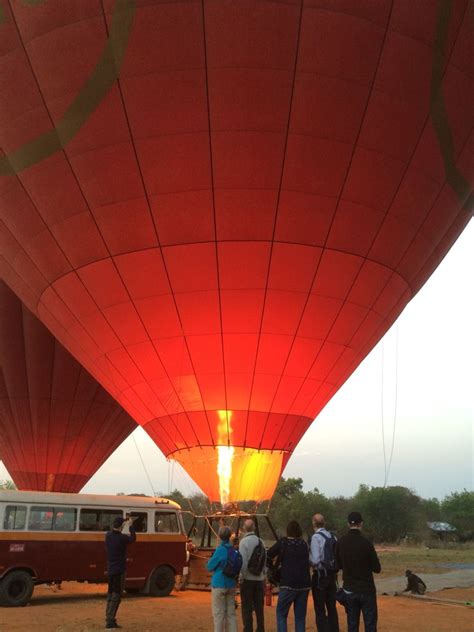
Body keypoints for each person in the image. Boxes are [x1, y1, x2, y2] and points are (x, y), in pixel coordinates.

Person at [335, 512, 381, 632]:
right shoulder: (366, 543)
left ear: (348, 524)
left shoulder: (341, 542)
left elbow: (336, 565)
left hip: (349, 589)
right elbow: (377, 568)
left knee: (352, 624)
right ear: (361, 524)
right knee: (370, 624)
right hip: (367, 589)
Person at [267, 520, 311, 632]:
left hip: (288, 584)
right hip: (304, 585)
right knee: (300, 618)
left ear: (288, 531)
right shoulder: (304, 544)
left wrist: (273, 569)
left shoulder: (283, 542)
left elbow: (268, 555)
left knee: (281, 614)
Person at [105, 516, 137, 629]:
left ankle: (108, 617)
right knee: (117, 596)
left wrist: (123, 523)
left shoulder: (108, 535)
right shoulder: (122, 538)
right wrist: (130, 525)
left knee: (110, 594)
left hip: (110, 569)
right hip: (119, 570)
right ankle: (110, 621)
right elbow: (133, 538)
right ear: (121, 526)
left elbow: (116, 532)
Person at [310, 513, 339, 632]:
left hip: (320, 576)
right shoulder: (333, 537)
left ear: (313, 523)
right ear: (324, 523)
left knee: (320, 608)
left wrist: (309, 559)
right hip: (332, 576)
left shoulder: (315, 537)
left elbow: (316, 560)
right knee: (332, 606)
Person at [207, 526, 238, 632]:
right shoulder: (233, 550)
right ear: (230, 536)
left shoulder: (220, 550)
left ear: (219, 536)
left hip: (219, 584)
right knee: (231, 614)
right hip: (231, 584)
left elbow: (209, 566)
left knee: (219, 614)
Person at [239, 518, 266, 632]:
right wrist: (263, 575)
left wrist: (241, 577)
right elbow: (264, 560)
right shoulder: (261, 542)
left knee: (246, 606)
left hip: (248, 579)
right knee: (259, 607)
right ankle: (260, 628)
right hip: (259, 579)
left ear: (244, 528)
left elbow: (243, 562)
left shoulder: (243, 542)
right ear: (254, 527)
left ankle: (248, 628)